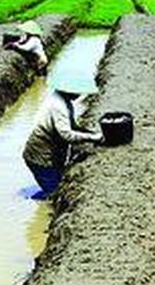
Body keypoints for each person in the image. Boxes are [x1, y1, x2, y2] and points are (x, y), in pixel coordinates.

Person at [23, 71, 103, 199]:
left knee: (57, 183)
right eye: (78, 92)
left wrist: (91, 133)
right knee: (53, 193)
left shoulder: (63, 100)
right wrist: (92, 137)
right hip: (41, 156)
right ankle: (30, 201)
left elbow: (72, 126)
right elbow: (67, 135)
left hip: (52, 153)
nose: (79, 95)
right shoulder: (58, 106)